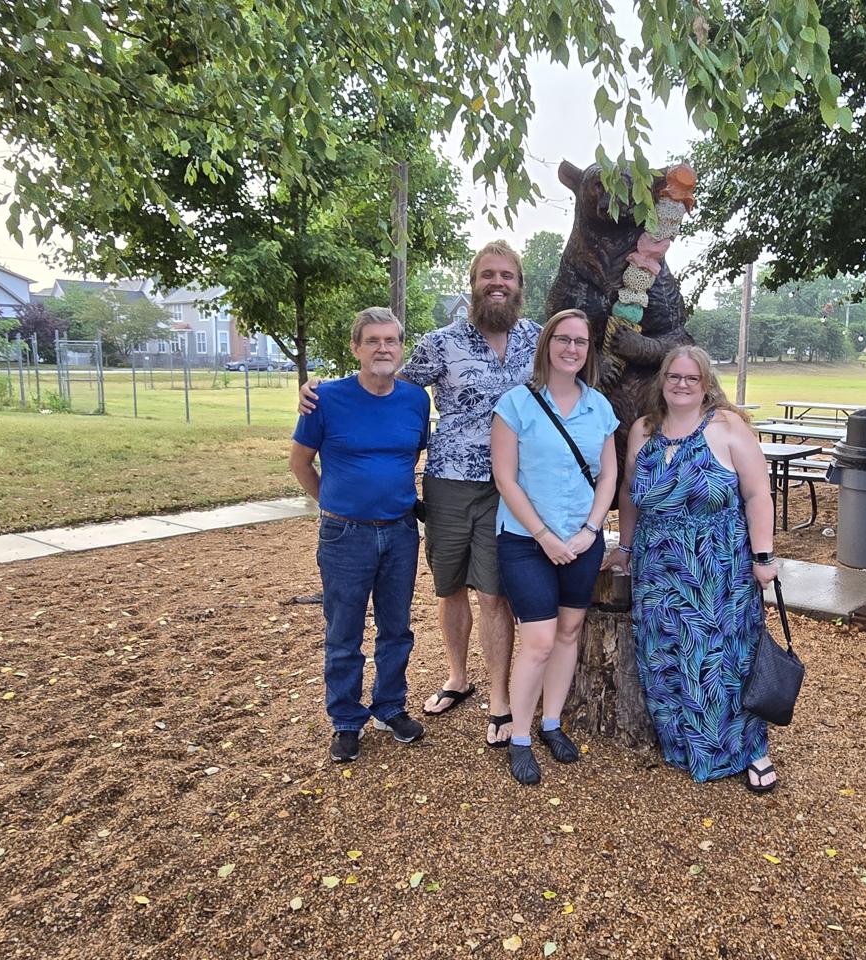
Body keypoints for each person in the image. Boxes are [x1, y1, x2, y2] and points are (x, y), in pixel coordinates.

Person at [299, 241, 539, 747]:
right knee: (449, 587)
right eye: (487, 275)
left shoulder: (537, 343)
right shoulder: (439, 343)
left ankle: (499, 700)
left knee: (495, 593)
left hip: (512, 486)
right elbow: (383, 388)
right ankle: (457, 677)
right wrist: (316, 392)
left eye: (508, 276)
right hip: (449, 482)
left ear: (520, 285)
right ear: (473, 283)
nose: (497, 283)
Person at [604, 345, 781, 793]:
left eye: (692, 378)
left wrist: (763, 557)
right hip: (657, 567)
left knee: (726, 658)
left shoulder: (726, 427)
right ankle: (686, 744)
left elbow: (758, 494)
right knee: (664, 655)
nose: (682, 385)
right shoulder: (644, 430)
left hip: (717, 566)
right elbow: (628, 493)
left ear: (706, 385)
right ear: (662, 381)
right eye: (674, 377)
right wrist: (623, 548)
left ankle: (750, 749)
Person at [289, 307, 431, 762]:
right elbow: (300, 463)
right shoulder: (325, 399)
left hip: (400, 533)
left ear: (401, 348)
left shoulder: (415, 400)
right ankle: (347, 720)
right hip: (344, 535)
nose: (383, 349)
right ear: (356, 348)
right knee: (344, 632)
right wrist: (334, 502)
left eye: (391, 340)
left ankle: (390, 706)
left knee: (396, 628)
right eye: (373, 341)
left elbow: (408, 458)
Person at [491, 309, 618, 785]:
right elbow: (505, 478)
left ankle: (551, 723)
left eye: (580, 342)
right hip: (527, 541)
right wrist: (545, 536)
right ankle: (520, 737)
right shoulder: (515, 404)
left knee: (569, 632)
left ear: (588, 351)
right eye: (562, 339)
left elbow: (608, 475)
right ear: (546, 344)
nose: (571, 348)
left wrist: (589, 530)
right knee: (540, 640)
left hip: (582, 539)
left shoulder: (599, 407)